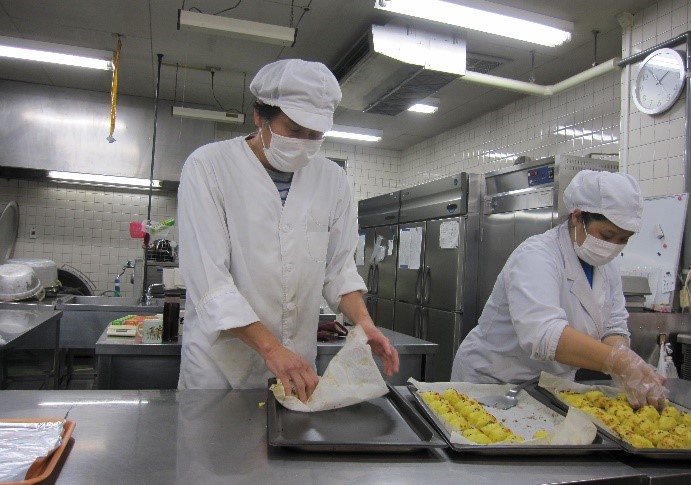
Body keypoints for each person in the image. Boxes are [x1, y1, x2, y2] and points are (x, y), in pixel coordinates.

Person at [176, 59, 399, 400]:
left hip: (297, 368)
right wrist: (270, 348)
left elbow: (338, 270)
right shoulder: (209, 167)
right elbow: (210, 283)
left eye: (315, 135)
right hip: (219, 373)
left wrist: (363, 322)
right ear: (259, 116)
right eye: (294, 130)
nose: (304, 143)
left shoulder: (332, 179)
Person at [451, 169, 666, 409]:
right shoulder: (536, 255)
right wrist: (619, 363)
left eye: (623, 239)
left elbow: (613, 326)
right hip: (494, 382)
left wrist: (626, 361)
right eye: (607, 235)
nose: (613, 246)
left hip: (549, 388)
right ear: (577, 217)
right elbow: (544, 335)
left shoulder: (607, 268)